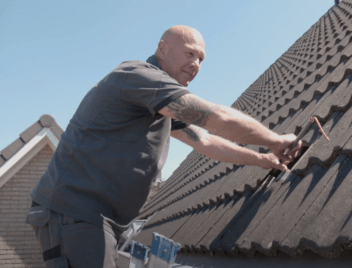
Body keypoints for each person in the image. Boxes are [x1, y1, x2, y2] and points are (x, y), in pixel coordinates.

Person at [26, 25, 302, 267]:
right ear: (162, 49)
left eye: (201, 59)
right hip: (75, 213)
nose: (196, 64)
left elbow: (206, 141)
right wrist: (277, 140)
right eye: (190, 53)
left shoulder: (158, 105)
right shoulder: (138, 77)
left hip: (99, 220)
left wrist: (264, 160)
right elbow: (216, 118)